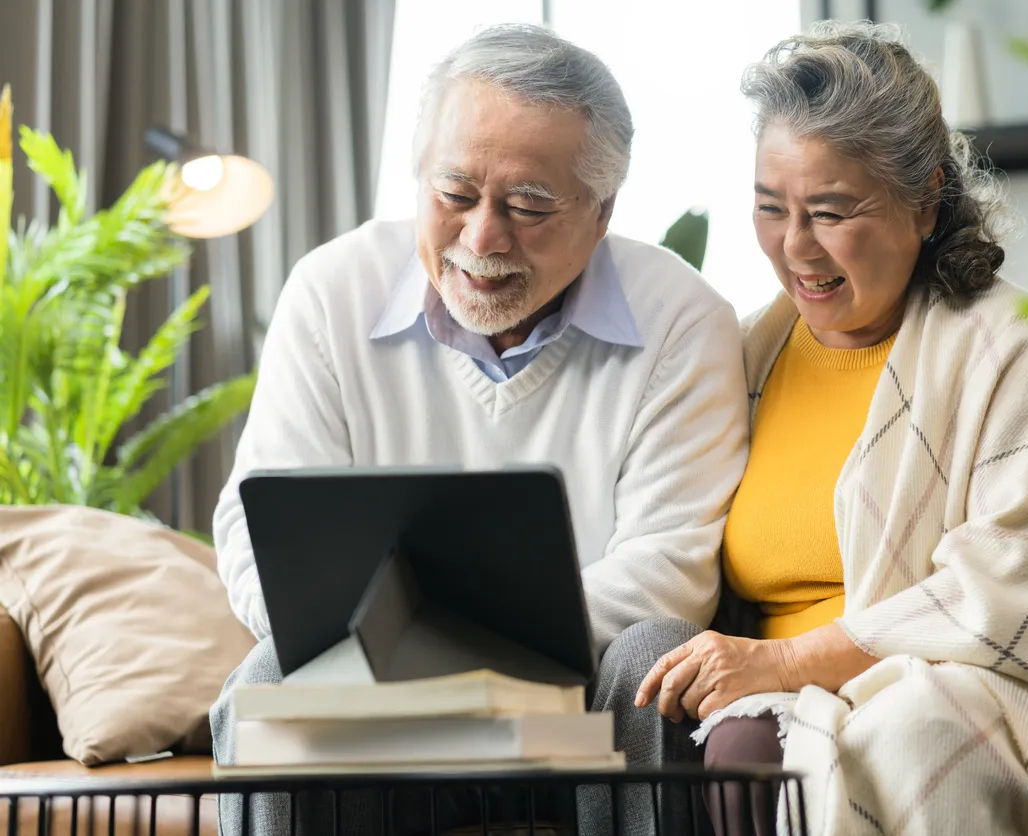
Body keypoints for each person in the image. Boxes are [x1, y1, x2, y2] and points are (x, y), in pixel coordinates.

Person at [636, 21, 1028, 836]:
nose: (793, 247)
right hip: (767, 698)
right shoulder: (745, 353)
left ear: (923, 201)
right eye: (768, 207)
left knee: (911, 728)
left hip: (968, 684)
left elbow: (1014, 582)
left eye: (828, 211)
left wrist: (784, 663)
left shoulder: (1012, 341)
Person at [210, 23, 749, 835]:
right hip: (380, 719)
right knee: (270, 675)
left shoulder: (682, 319)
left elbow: (668, 569)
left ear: (601, 213)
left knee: (657, 653)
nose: (482, 237)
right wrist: (405, 664)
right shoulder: (329, 291)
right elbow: (258, 528)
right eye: (455, 194)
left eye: (528, 205)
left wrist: (435, 641)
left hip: (584, 710)